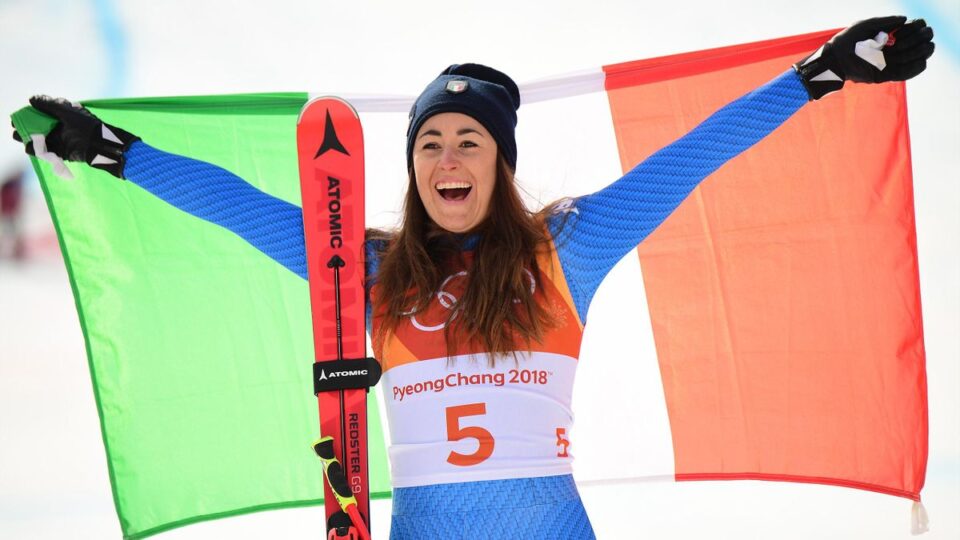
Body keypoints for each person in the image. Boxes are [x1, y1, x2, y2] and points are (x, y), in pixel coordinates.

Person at [12, 16, 934, 539]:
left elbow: (691, 158)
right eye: (430, 144)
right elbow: (238, 206)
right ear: (413, 166)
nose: (447, 158)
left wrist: (818, 76)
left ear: (499, 163)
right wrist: (111, 150)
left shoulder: (567, 249)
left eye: (468, 142)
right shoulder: (364, 270)